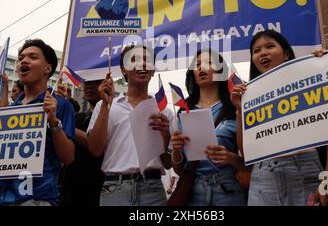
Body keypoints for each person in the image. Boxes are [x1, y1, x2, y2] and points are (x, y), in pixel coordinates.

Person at [231, 30, 323, 206]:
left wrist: (323, 63)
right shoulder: (248, 96)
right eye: (256, 50)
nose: (263, 53)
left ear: (287, 53)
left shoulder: (308, 81)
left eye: (270, 46)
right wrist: (241, 110)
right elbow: (245, 151)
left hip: (306, 168)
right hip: (264, 174)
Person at [0, 39, 75, 206]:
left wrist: (54, 122)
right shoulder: (11, 109)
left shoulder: (61, 105)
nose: (23, 61)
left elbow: (68, 157)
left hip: (36, 198)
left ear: (47, 69)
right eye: (20, 58)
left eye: (32, 57)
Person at [87, 44, 173, 206]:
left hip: (153, 190)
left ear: (153, 70)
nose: (141, 64)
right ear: (124, 69)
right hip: (115, 190)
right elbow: (95, 149)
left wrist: (165, 134)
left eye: (147, 60)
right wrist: (106, 106)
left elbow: (168, 163)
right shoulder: (105, 105)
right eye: (134, 60)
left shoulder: (164, 113)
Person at [170, 49, 245, 206]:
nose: (201, 68)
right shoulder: (184, 111)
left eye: (209, 63)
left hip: (228, 189)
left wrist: (231, 158)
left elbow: (250, 163)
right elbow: (178, 170)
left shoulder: (235, 106)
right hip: (193, 190)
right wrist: (176, 149)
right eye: (197, 65)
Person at [59, 79, 105, 206]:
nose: (90, 87)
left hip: (97, 188)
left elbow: (95, 146)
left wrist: (65, 126)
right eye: (86, 83)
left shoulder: (112, 116)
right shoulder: (77, 117)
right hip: (69, 189)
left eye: (95, 83)